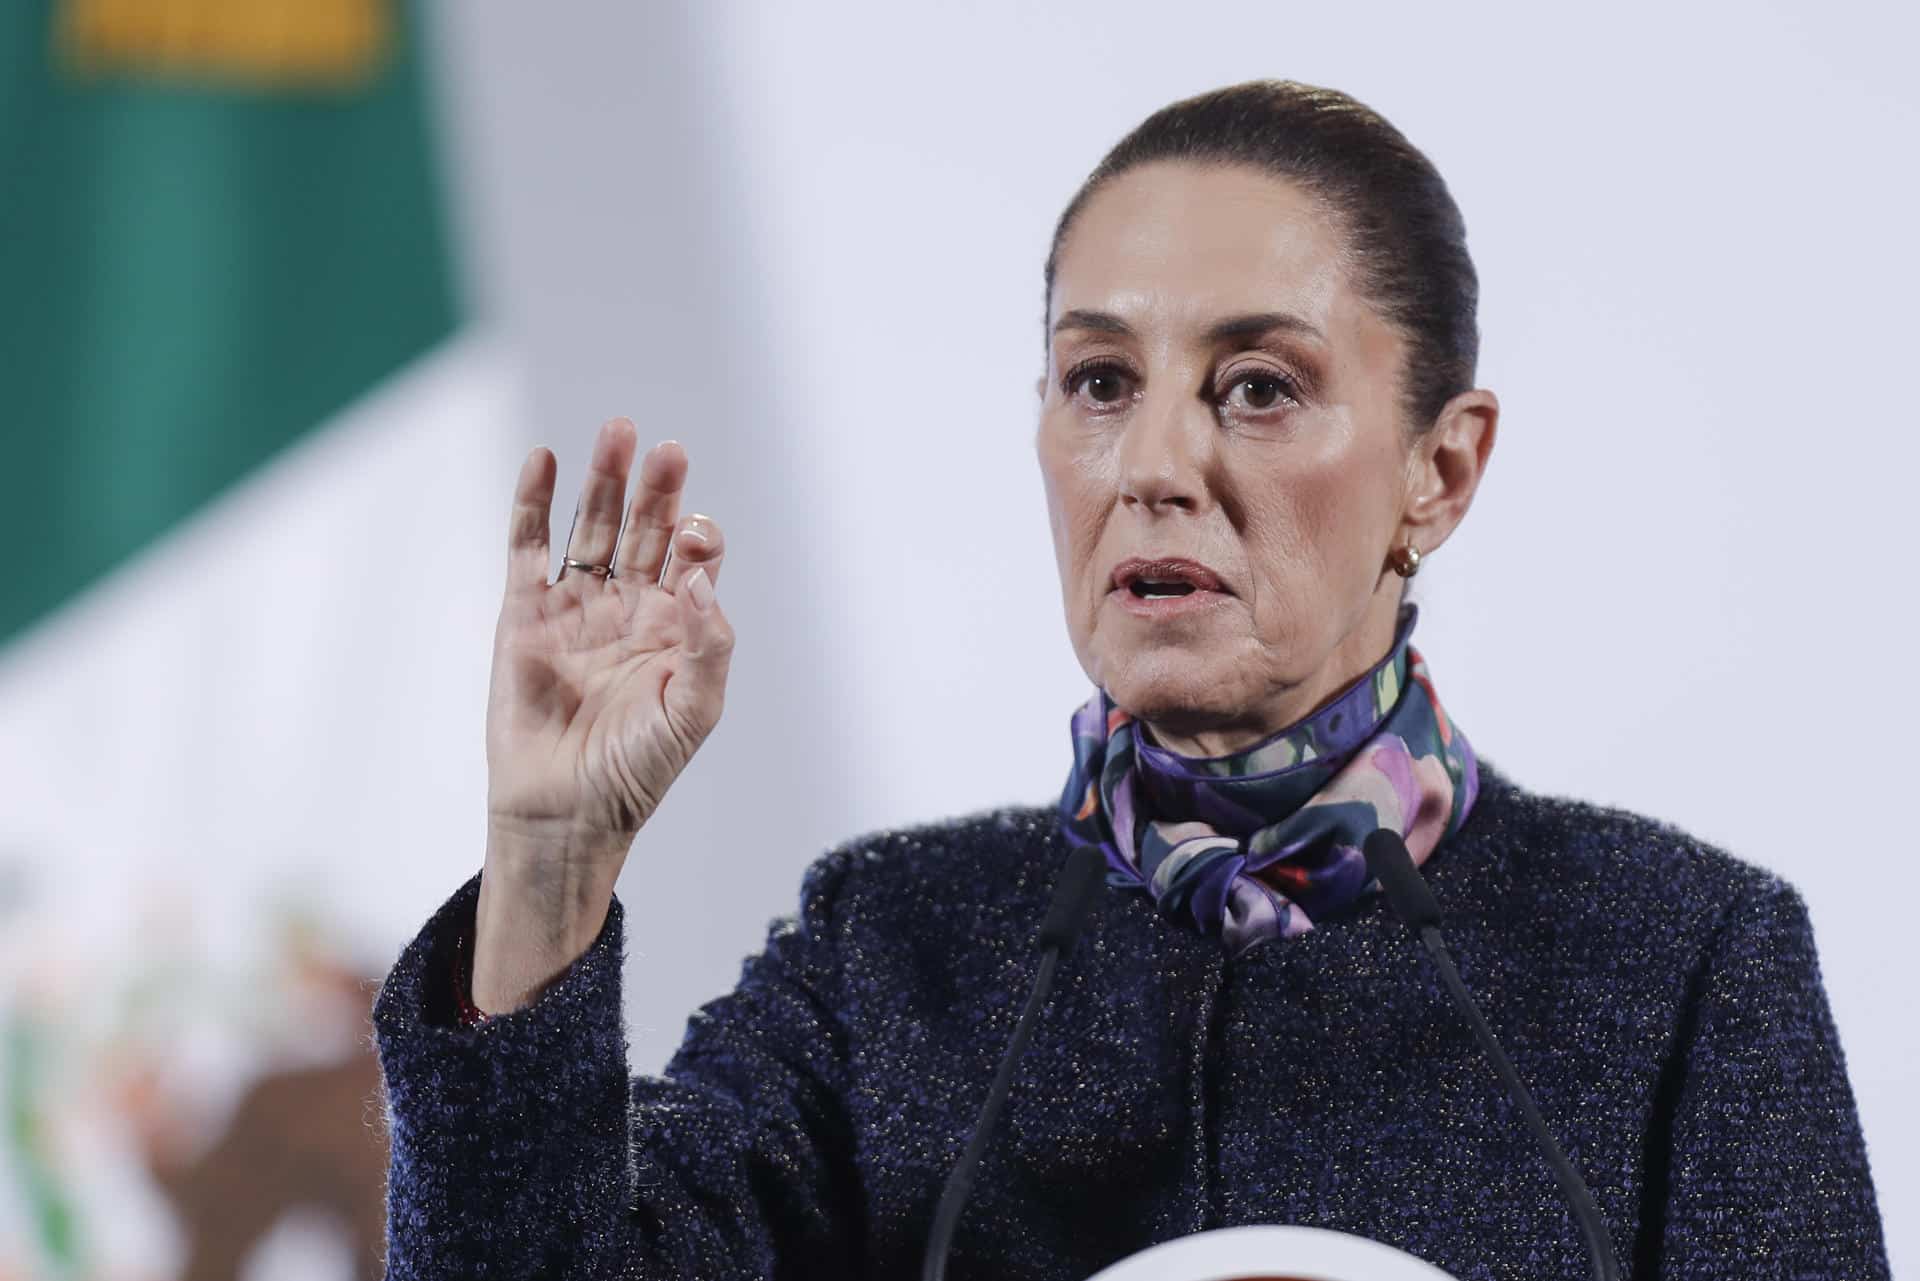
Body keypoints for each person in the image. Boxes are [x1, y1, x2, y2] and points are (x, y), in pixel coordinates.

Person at [371, 80, 1890, 1280]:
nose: (1156, 464)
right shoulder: (886, 952)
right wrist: (550, 872)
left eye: (1258, 388)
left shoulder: (1683, 962)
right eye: (1102, 381)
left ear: (1443, 466)